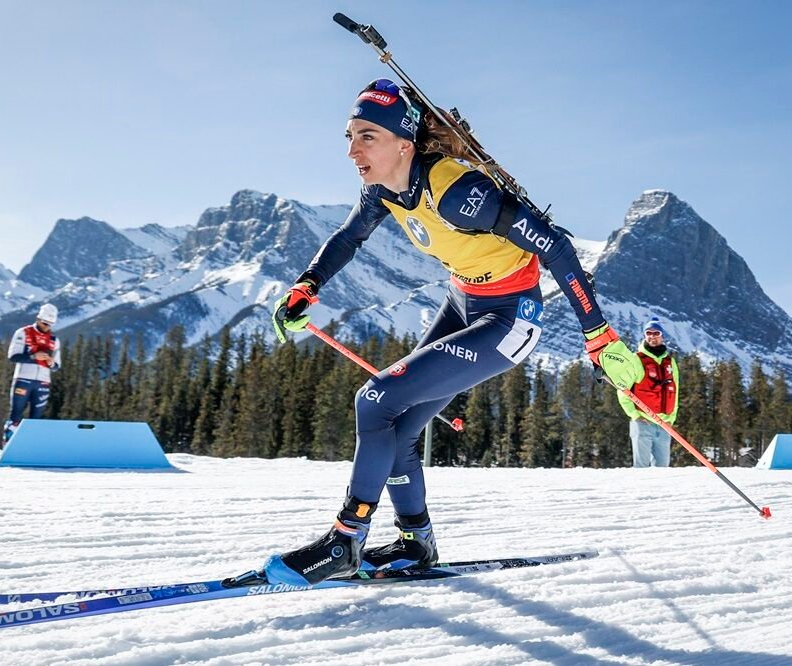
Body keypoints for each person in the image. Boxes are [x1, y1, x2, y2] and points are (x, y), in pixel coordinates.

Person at [263, 78, 643, 586]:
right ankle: (416, 544)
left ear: (404, 142)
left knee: (374, 400)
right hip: (462, 302)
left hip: (508, 321)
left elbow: (555, 246)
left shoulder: (460, 193)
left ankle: (345, 540)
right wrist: (307, 285)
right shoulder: (381, 189)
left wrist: (597, 333)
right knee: (394, 428)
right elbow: (349, 236)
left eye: (367, 136)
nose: (353, 149)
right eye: (349, 136)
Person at [617, 317, 679, 467]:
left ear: (662, 336)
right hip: (643, 421)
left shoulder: (670, 362)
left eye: (656, 333)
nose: (652, 336)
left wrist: (671, 418)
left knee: (662, 468)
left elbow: (675, 391)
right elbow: (622, 389)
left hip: (664, 423)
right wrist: (635, 415)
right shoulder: (636, 360)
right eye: (648, 333)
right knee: (641, 468)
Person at [3, 303, 61, 445]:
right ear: (38, 318)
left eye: (50, 324)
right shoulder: (23, 332)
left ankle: (28, 446)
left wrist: (51, 362)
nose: (46, 326)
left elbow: (57, 366)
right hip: (23, 379)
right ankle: (8, 445)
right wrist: (33, 357)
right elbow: (12, 356)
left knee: (36, 419)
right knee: (15, 415)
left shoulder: (54, 340)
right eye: (44, 322)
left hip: (43, 382)